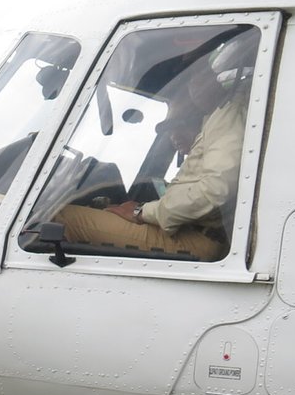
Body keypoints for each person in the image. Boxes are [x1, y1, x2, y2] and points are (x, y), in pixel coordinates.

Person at [54, 63, 246, 261]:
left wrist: (141, 212)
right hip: (192, 230)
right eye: (191, 79)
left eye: (179, 126)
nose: (194, 85)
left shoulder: (228, 115)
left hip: (198, 238)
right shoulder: (218, 119)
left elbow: (216, 189)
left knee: (61, 219)